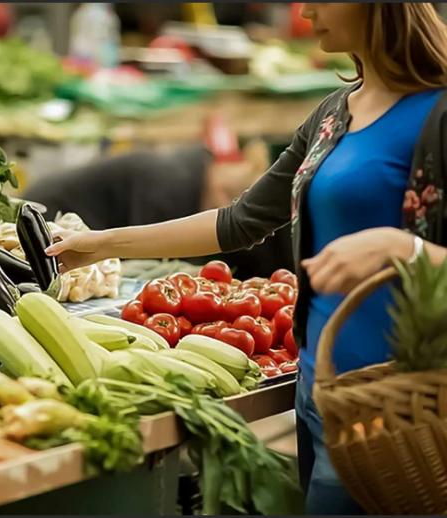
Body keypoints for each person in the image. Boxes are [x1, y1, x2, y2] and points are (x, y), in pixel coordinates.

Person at [47, 4, 447, 515]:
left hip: (411, 405)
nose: (305, 11)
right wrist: (102, 243)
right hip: (322, 391)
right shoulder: (333, 115)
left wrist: (404, 248)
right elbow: (239, 221)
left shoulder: (438, 113)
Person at [24, 141, 295, 280]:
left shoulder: (186, 173)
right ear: (223, 190)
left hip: (80, 232)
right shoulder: (167, 185)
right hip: (46, 221)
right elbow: (147, 257)